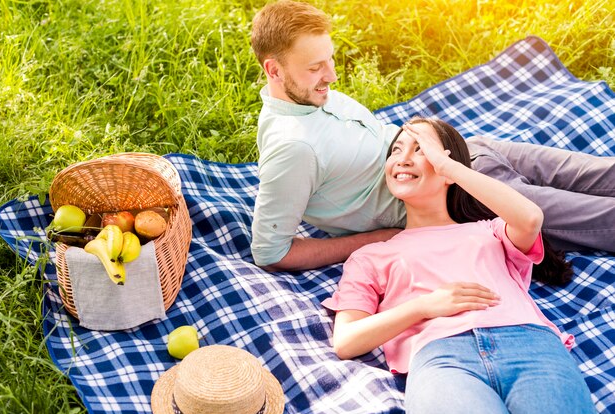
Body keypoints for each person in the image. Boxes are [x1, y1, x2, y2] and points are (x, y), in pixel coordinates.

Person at [250, 0, 615, 271]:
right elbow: (270, 252)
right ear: (274, 70)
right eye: (315, 67)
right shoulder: (293, 149)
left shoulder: (314, 93)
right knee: (602, 218)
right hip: (463, 195)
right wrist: (375, 240)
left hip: (470, 149)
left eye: (329, 59)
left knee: (604, 171)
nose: (331, 75)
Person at [321, 117, 596, 414]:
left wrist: (450, 167)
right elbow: (346, 341)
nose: (403, 159)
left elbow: (530, 219)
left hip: (530, 346)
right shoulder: (370, 256)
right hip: (442, 358)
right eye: (396, 150)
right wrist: (424, 306)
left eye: (420, 149)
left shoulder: (489, 231)